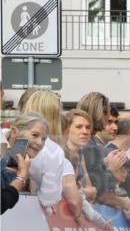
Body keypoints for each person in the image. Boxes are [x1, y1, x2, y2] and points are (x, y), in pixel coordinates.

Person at [20, 91, 85, 220]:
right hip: (36, 223)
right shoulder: (54, 154)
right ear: (55, 118)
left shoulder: (11, 139)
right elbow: (74, 202)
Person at [1, 113, 44, 214]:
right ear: (14, 131)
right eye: (35, 135)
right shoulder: (3, 157)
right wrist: (21, 177)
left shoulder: (31, 163)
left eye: (43, 139)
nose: (40, 142)